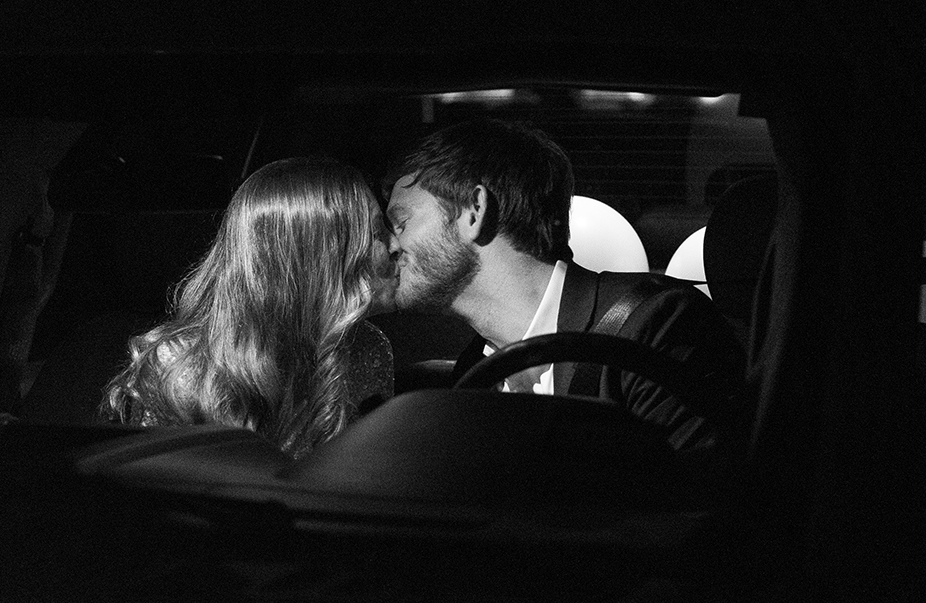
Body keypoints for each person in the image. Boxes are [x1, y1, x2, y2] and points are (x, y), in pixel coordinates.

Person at [385, 118, 745, 473]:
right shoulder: (473, 373)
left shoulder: (656, 324)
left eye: (401, 223)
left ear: (472, 211)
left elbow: (698, 501)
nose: (389, 245)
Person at [102, 156, 396, 460]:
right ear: (321, 255)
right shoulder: (179, 369)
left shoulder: (367, 347)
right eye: (376, 233)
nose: (394, 244)